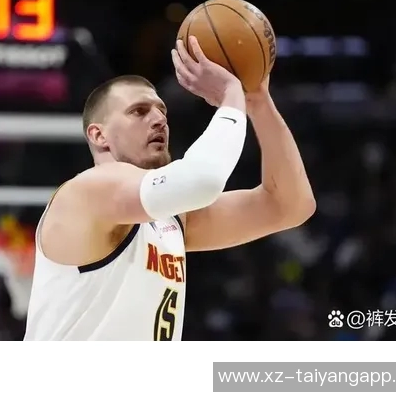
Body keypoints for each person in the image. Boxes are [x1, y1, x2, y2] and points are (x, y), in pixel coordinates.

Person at [23, 36, 316, 341]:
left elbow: (290, 205)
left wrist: (258, 101)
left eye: (161, 111)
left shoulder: (170, 219)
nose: (159, 119)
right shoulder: (86, 192)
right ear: (99, 136)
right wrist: (231, 97)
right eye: (139, 111)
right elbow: (203, 179)